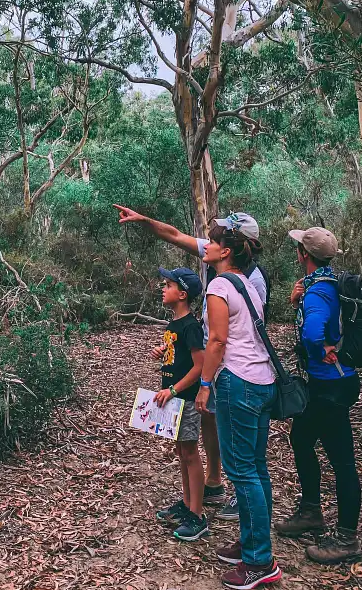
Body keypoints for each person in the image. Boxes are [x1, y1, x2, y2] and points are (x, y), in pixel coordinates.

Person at [114, 205, 267, 520]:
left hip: (234, 368)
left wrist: (207, 379)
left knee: (240, 444)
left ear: (231, 246)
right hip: (216, 361)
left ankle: (241, 510)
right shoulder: (217, 259)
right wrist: (145, 220)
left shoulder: (250, 281)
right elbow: (174, 234)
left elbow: (244, 333)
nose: (206, 244)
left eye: (219, 236)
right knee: (208, 422)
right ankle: (212, 483)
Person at [194, 223, 281, 590]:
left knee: (242, 471)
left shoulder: (218, 285)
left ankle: (260, 560)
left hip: (238, 381)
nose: (207, 247)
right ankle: (251, 543)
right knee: (255, 468)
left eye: (212, 242)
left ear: (225, 251)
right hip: (263, 381)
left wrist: (204, 384)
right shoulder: (248, 283)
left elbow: (216, 341)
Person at [275, 226, 362, 564]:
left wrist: (319, 347)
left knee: (342, 462)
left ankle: (347, 539)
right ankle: (311, 510)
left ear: (304, 256)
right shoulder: (327, 284)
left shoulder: (317, 292)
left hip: (331, 387)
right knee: (300, 438)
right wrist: (297, 300)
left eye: (299, 248)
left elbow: (313, 330)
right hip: (333, 382)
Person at [152, 267, 208, 542]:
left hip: (183, 398)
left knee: (190, 453)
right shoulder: (173, 326)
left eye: (168, 285)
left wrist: (173, 390)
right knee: (181, 451)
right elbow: (179, 357)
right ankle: (186, 504)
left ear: (182, 294)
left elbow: (200, 366)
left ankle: (197, 515)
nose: (163, 289)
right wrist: (162, 353)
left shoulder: (191, 327)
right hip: (173, 398)